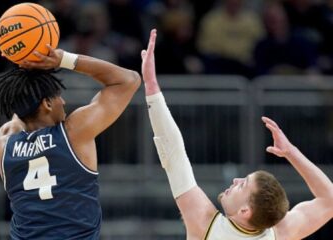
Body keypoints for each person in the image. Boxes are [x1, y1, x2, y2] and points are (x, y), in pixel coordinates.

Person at [141, 29, 333, 240]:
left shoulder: (206, 226)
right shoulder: (280, 233)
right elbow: (330, 200)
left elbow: (174, 152)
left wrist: (151, 86)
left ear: (245, 211)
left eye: (243, 184)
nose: (235, 179)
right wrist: (292, 153)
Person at [0, 45, 141, 239]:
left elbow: (21, 106)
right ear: (47, 103)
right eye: (58, 96)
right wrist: (63, 59)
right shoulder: (74, 133)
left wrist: (21, 60)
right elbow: (128, 80)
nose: (63, 102)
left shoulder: (2, 143)